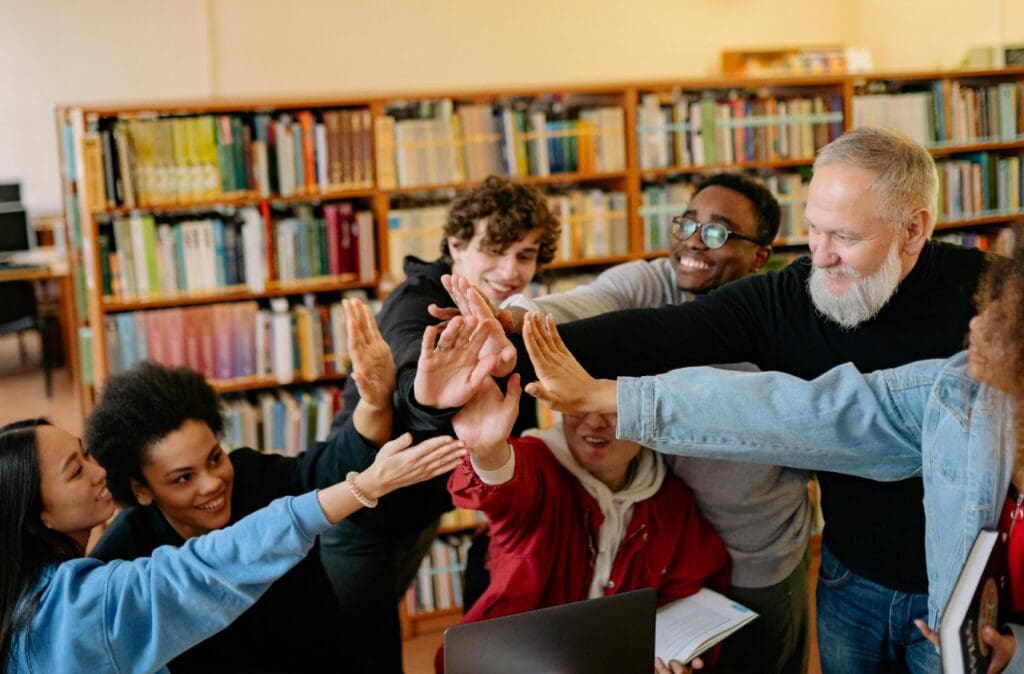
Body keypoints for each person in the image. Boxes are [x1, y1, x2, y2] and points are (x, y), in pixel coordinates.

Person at [447, 127, 989, 673]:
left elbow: (816, 416)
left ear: (914, 229)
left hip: (963, 589)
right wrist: (510, 333)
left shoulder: (995, 305)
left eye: (844, 237)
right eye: (812, 230)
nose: (820, 256)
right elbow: (657, 332)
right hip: (849, 576)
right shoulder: (795, 294)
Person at [518, 221, 1024, 674]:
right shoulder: (954, 390)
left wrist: (1018, 646)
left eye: (1005, 327)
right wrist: (612, 395)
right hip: (891, 599)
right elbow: (799, 412)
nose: (974, 328)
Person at [495, 173, 812, 674]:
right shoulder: (652, 282)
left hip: (754, 556)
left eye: (718, 232)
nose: (692, 240)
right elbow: (585, 302)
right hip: (668, 547)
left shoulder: (780, 319)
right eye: (688, 222)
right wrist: (508, 320)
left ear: (758, 255)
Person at [85, 298, 453, 672]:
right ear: (141, 490)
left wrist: (374, 402)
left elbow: (331, 468)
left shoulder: (252, 476)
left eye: (214, 458)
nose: (213, 483)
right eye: (183, 478)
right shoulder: (124, 557)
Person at [319, 174, 562, 672]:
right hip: (357, 509)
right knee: (362, 657)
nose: (511, 269)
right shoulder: (418, 301)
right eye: (495, 249)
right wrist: (426, 392)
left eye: (526, 254)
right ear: (456, 242)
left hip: (417, 510)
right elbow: (412, 355)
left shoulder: (507, 316)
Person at [0, 416, 464, 673]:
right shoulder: (93, 601)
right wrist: (365, 487)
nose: (98, 470)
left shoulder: (26, 591)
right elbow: (211, 565)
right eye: (75, 471)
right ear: (34, 517)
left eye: (86, 453)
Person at [416, 316, 730, 674]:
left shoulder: (670, 499)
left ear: (646, 415)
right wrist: (487, 452)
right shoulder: (539, 462)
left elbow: (690, 591)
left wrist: (679, 660)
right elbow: (500, 486)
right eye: (578, 401)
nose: (593, 422)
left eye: (612, 406)